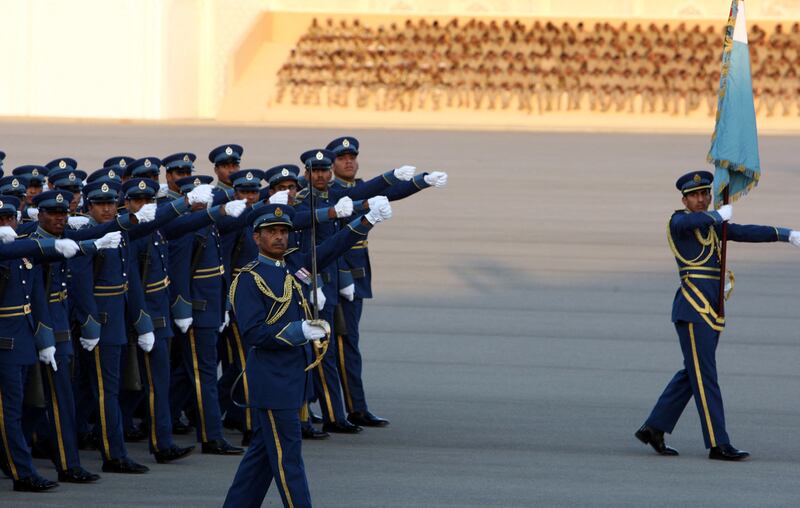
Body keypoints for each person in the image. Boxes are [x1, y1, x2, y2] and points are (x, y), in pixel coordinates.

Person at [223, 200, 393, 508]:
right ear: (256, 237)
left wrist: (367, 221)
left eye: (283, 232)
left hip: (291, 382)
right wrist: (297, 332)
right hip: (274, 385)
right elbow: (253, 333)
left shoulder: (291, 265)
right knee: (289, 464)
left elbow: (330, 248)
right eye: (271, 232)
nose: (279, 237)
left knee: (260, 462)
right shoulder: (249, 279)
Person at [636, 171, 800, 460]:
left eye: (705, 194)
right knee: (706, 376)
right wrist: (717, 215)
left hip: (710, 310)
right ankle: (718, 442)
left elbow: (747, 231)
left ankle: (654, 427)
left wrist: (786, 235)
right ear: (684, 199)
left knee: (694, 373)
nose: (701, 200)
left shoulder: (714, 224)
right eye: (694, 195)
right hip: (693, 309)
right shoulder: (679, 222)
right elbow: (694, 220)